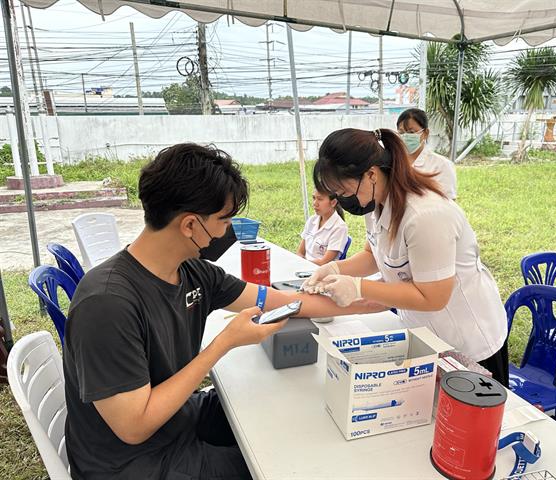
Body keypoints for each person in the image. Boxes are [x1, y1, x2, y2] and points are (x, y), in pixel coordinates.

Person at [63, 143, 380, 479]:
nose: (226, 231)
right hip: (134, 464)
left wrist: (376, 300)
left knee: (277, 415)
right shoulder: (107, 304)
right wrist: (223, 343)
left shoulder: (194, 272)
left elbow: (282, 302)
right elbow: (134, 427)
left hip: (177, 421)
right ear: (189, 225)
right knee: (281, 467)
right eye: (223, 220)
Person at [303, 128, 508, 385]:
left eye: (344, 192)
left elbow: (433, 296)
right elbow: (373, 254)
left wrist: (358, 287)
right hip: (425, 332)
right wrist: (336, 268)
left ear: (371, 174)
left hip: (468, 340)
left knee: (466, 419)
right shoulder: (375, 201)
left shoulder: (425, 216)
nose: (344, 200)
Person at [396, 108, 457, 200]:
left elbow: (449, 202)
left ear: (425, 133)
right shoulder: (392, 161)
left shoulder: (442, 165)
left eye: (411, 132)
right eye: (401, 132)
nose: (405, 137)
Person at [296, 188, 349, 265]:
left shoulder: (339, 228)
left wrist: (303, 264)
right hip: (304, 267)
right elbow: (300, 252)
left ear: (333, 202)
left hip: (322, 272)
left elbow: (324, 262)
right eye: (314, 198)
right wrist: (299, 262)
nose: (315, 203)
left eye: (320, 199)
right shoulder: (312, 220)